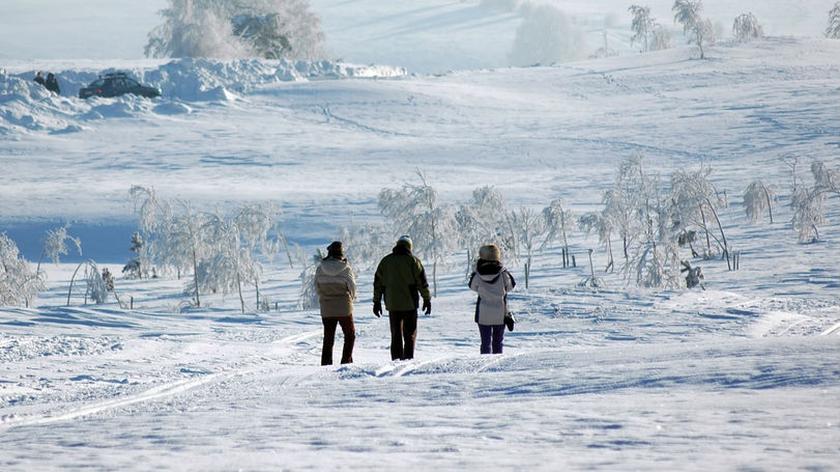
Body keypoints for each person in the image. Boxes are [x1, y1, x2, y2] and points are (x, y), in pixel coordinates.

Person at [373, 235, 431, 361]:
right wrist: (427, 298)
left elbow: (378, 283)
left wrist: (376, 301)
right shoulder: (413, 261)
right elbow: (422, 282)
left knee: (396, 334)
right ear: (409, 246)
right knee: (410, 334)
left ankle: (396, 360)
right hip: (409, 303)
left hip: (392, 303)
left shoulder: (385, 261)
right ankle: (408, 360)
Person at [468, 244, 516, 355]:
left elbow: (472, 286)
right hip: (500, 313)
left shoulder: (477, 275)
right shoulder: (503, 274)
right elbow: (510, 286)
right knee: (498, 342)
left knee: (485, 343)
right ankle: (497, 366)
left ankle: (484, 361)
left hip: (483, 314)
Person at [315, 241, 356, 365]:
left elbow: (316, 287)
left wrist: (324, 297)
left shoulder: (320, 268)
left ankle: (326, 363)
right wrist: (351, 299)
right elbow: (352, 287)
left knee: (328, 337)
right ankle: (346, 361)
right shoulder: (346, 269)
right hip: (344, 307)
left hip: (327, 308)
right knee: (350, 335)